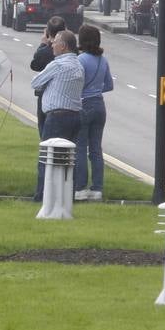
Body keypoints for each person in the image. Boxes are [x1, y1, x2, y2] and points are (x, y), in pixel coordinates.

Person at [30, 29, 84, 203]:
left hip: (57, 117)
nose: (52, 44)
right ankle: (67, 196)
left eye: (55, 42)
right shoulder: (78, 65)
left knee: (48, 158)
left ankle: (42, 196)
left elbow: (35, 82)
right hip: (75, 115)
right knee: (68, 159)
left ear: (64, 46)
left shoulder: (57, 64)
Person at [73, 25, 113, 201]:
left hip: (84, 104)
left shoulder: (80, 59)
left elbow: (75, 82)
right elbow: (109, 85)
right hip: (99, 105)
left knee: (80, 147)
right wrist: (96, 89)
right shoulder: (102, 60)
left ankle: (81, 187)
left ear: (82, 40)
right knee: (96, 149)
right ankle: (97, 188)